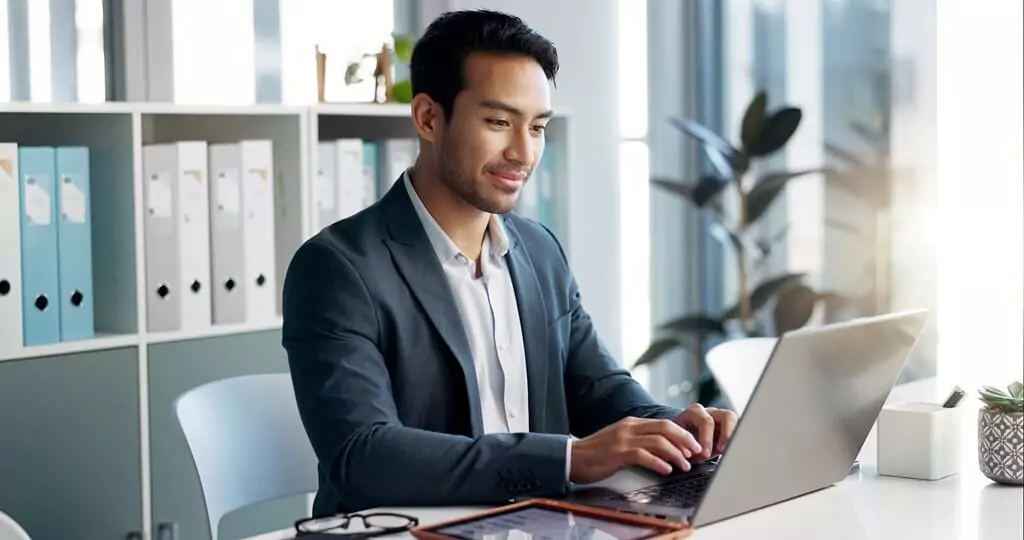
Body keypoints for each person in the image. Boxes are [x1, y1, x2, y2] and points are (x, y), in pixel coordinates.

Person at [282, 8, 737, 518]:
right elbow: (364, 457)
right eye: (499, 122)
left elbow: (600, 389)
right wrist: (569, 458)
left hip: (536, 523)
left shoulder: (539, 250)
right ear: (429, 117)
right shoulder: (337, 269)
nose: (523, 152)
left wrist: (679, 427)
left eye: (537, 127)